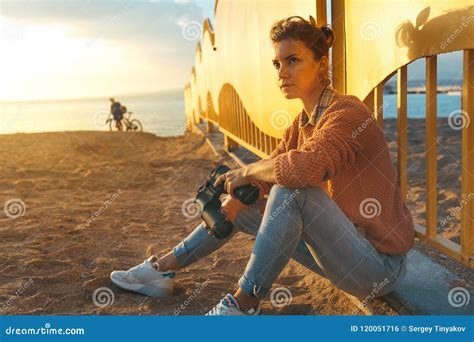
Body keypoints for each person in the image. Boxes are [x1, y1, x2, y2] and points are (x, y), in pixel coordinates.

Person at [110, 16, 415, 315]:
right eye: (277, 63)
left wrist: (244, 172)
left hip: (377, 268)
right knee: (244, 206)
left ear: (321, 65)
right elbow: (272, 166)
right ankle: (163, 270)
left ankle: (243, 306)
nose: (282, 72)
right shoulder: (300, 124)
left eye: (293, 60)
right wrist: (238, 196)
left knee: (293, 193)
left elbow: (301, 169)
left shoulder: (347, 113)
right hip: (338, 253)